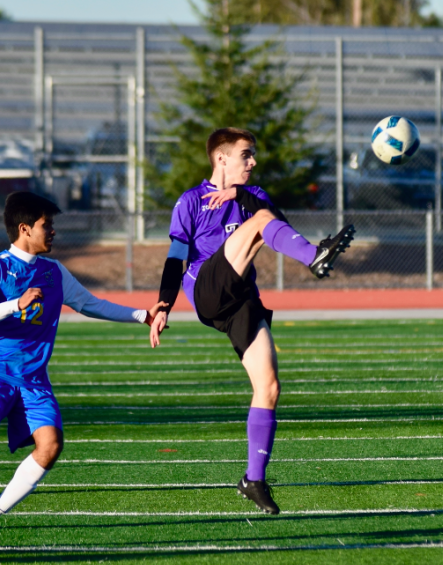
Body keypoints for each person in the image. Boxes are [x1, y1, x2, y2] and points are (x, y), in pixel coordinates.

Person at [0, 192, 167, 550]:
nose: (54, 231)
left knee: (51, 446)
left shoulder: (53, 272)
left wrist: (142, 315)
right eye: (48, 225)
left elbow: (90, 303)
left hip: (33, 378)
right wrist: (15, 304)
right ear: (25, 229)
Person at [149, 127, 354, 515]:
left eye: (254, 154)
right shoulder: (191, 201)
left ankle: (253, 480)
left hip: (241, 300)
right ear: (221, 159)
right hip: (206, 289)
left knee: (269, 386)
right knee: (260, 221)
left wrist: (240, 195)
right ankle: (315, 256)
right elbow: (176, 257)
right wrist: (163, 305)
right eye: (246, 154)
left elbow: (276, 224)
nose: (253, 162)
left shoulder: (253, 197)